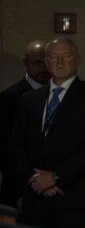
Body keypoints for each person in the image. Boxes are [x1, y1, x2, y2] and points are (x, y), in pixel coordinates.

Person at [7, 38, 85, 228]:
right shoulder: (29, 100)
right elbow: (15, 147)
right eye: (54, 57)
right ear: (46, 61)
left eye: (67, 56)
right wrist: (34, 178)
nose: (60, 62)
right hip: (35, 200)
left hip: (72, 202)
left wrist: (55, 177)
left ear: (78, 59)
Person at [0, 40, 50, 207]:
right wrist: (20, 192)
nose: (43, 68)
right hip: (21, 189)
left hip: (54, 187)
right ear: (25, 63)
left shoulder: (59, 94)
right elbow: (5, 149)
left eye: (46, 62)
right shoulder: (10, 98)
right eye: (37, 63)